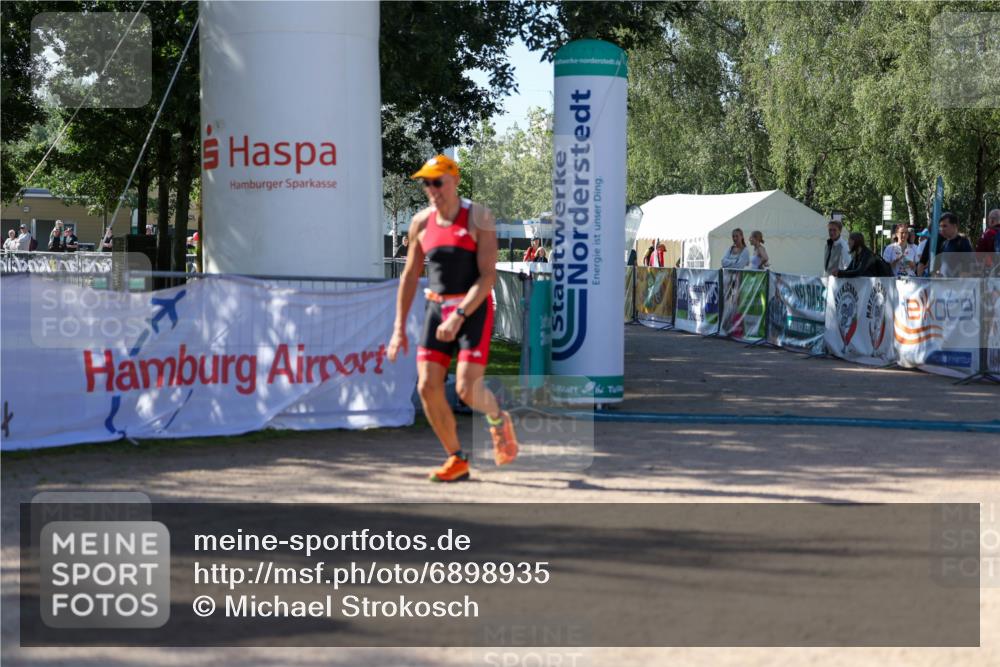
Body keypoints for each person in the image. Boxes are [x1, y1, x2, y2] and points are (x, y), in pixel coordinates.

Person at [387, 154, 518, 483]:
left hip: (472, 308)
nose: (431, 189)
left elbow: (488, 276)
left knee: (465, 388)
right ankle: (456, 458)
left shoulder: (478, 217)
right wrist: (398, 328)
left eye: (437, 182)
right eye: (426, 183)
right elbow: (408, 277)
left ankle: (497, 417)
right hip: (436, 308)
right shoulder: (420, 223)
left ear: (455, 181)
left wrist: (459, 314)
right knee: (428, 387)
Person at [917, 212, 973, 277]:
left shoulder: (963, 242)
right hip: (941, 284)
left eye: (945, 226)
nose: (942, 229)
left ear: (954, 226)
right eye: (940, 226)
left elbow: (968, 268)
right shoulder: (942, 243)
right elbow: (923, 262)